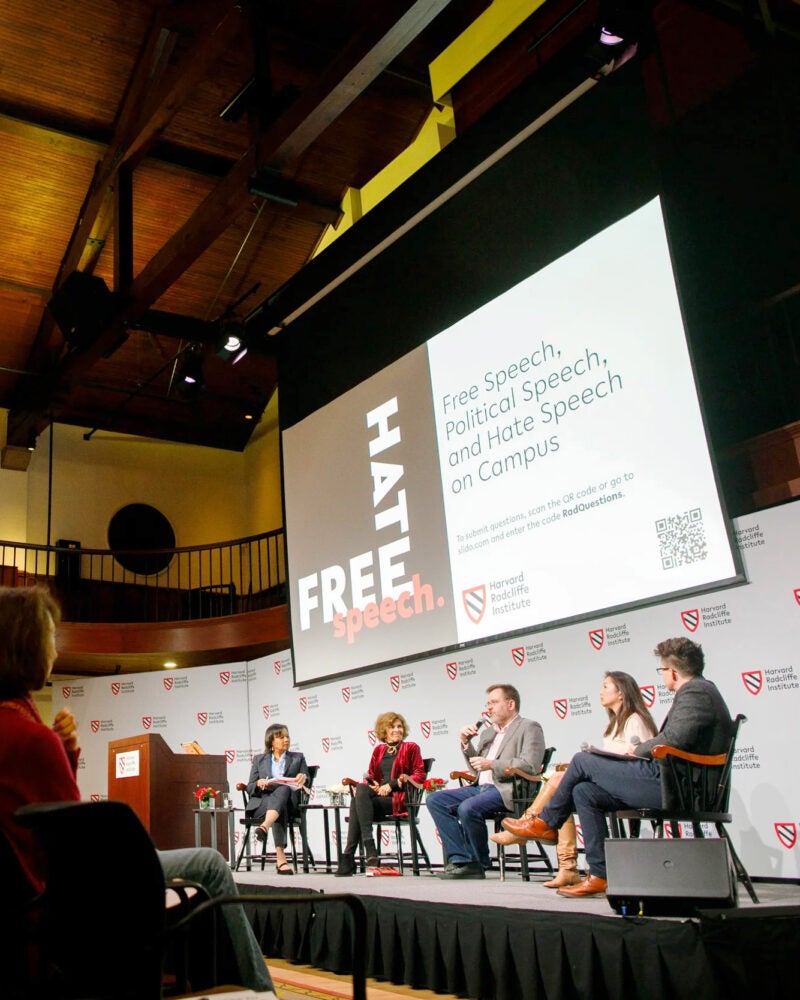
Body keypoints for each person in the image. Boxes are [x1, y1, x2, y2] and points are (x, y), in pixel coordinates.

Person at [0, 585, 275, 995]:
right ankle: (259, 991)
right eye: (50, 639)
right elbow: (78, 843)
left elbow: (47, 813)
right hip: (68, 897)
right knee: (212, 864)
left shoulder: (15, 725)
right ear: (27, 647)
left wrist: (68, 753)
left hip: (30, 903)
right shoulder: (31, 738)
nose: (55, 651)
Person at [503, 637, 733, 898]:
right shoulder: (700, 691)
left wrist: (638, 750)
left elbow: (674, 739)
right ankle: (599, 875)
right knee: (584, 792)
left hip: (680, 788)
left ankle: (545, 822)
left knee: (582, 760)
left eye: (662, 671)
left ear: (672, 671)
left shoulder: (696, 692)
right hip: (672, 781)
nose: (663, 676)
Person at [491, 671, 657, 887]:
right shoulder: (615, 723)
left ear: (621, 693)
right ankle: (567, 864)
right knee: (572, 788)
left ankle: (534, 824)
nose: (600, 691)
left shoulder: (634, 720)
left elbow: (642, 760)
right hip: (613, 784)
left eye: (606, 686)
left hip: (632, 785)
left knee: (563, 779)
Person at [426, 684, 545, 880]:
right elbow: (476, 769)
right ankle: (461, 860)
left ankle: (478, 862)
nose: (489, 708)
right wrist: (465, 743)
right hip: (479, 788)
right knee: (435, 800)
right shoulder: (488, 733)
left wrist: (493, 764)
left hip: (507, 789)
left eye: (494, 702)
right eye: (488, 703)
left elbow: (530, 765)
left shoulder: (529, 727)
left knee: (467, 808)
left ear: (511, 704)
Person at [334, 711, 425, 876]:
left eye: (399, 727)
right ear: (384, 730)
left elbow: (419, 775)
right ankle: (368, 847)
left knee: (356, 804)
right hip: (377, 800)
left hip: (400, 800)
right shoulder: (379, 750)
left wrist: (392, 784)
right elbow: (372, 776)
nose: (397, 730)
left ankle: (350, 856)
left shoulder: (411, 747)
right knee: (361, 790)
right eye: (392, 727)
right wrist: (373, 785)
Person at [244, 722, 309, 874]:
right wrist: (258, 783)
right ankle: (281, 860)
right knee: (279, 805)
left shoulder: (298, 758)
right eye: (281, 737)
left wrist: (303, 777)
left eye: (287, 736)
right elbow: (249, 787)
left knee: (283, 791)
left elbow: (307, 779)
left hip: (289, 804)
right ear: (271, 741)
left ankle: (264, 827)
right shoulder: (259, 759)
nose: (286, 740)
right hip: (262, 804)